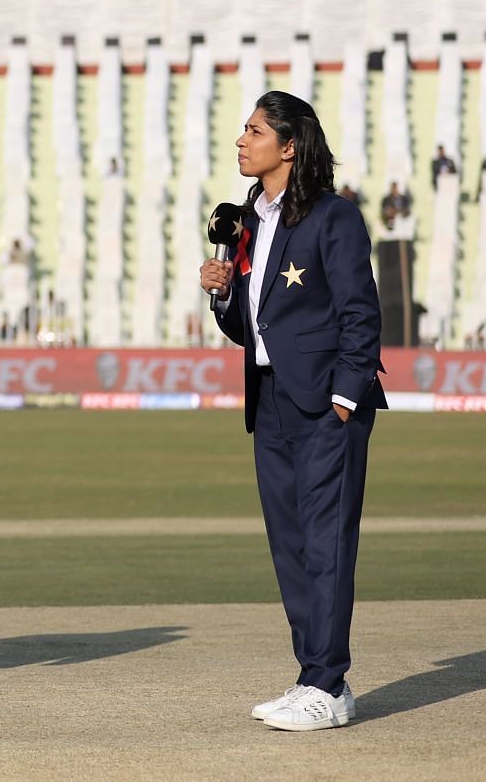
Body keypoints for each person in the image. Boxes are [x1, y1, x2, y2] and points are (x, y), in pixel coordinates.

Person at [199, 91, 385, 732]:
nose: (241, 140)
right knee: (290, 545)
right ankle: (315, 677)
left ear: (290, 146)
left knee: (327, 542)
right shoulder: (250, 217)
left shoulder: (333, 217)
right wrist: (221, 296)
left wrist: (345, 395)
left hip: (326, 403)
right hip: (270, 397)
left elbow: (361, 310)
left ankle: (327, 686)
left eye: (253, 131)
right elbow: (250, 325)